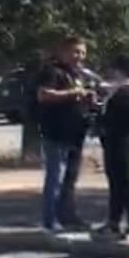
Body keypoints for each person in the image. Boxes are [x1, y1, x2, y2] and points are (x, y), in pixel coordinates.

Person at [35, 35, 96, 235]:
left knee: (70, 179)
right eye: (76, 51)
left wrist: (89, 99)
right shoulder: (52, 72)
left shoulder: (79, 74)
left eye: (83, 52)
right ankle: (49, 221)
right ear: (63, 52)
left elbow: (79, 96)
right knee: (55, 178)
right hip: (56, 134)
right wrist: (73, 93)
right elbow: (43, 95)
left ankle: (69, 217)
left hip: (76, 134)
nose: (80, 56)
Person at [95, 56, 129, 242]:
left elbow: (115, 117)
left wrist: (100, 113)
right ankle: (114, 222)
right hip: (116, 140)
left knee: (126, 183)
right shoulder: (123, 90)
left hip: (123, 139)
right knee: (116, 184)